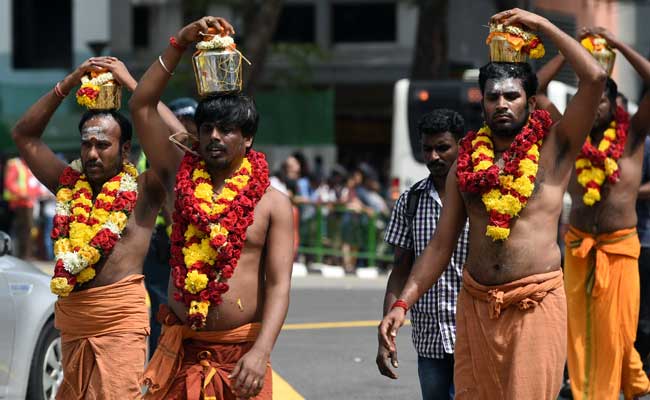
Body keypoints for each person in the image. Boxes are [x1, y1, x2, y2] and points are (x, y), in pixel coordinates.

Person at [379, 8, 607, 400]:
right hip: (477, 306)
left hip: (535, 303)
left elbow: (595, 78)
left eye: (512, 96)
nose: (502, 103)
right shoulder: (464, 166)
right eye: (493, 96)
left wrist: (544, 27)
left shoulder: (556, 149)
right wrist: (402, 303)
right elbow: (439, 246)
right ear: (481, 104)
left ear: (530, 102)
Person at [129, 16, 294, 400]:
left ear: (248, 138)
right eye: (207, 130)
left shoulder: (273, 204)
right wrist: (180, 43)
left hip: (241, 359)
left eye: (227, 130)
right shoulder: (176, 180)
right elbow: (142, 105)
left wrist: (261, 352)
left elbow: (280, 286)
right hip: (181, 354)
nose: (215, 137)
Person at [11, 56, 185, 399]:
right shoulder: (67, 184)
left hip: (120, 323)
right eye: (87, 144)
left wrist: (135, 85)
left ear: (124, 151)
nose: (92, 153)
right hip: (74, 323)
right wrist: (69, 81)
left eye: (103, 145)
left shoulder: (145, 190)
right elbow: (24, 135)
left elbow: (179, 143)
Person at [538, 26, 650, 399]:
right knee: (578, 332)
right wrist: (571, 51)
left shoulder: (632, 136)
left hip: (620, 249)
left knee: (618, 330)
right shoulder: (570, 136)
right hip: (578, 246)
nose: (597, 106)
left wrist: (617, 44)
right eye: (591, 100)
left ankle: (632, 386)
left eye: (603, 99)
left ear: (615, 104)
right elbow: (536, 89)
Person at [377, 109, 469, 399]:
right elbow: (401, 269)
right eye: (427, 149)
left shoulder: (480, 198)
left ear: (461, 146)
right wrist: (387, 331)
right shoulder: (411, 200)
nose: (433, 157)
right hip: (429, 340)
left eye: (442, 148)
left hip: (472, 335)